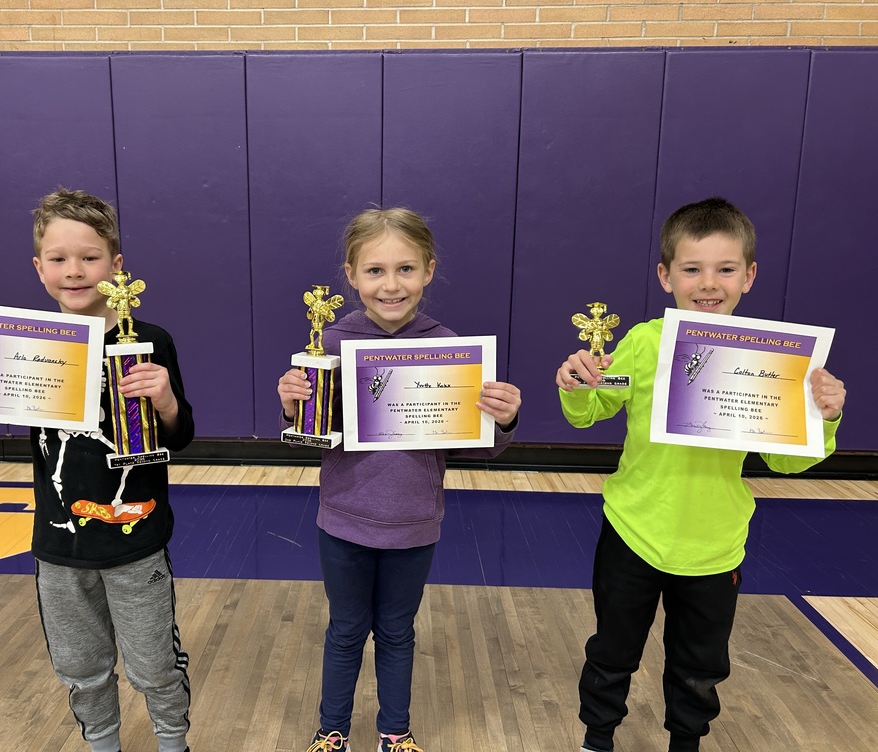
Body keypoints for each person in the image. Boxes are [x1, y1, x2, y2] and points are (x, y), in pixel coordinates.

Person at [555, 197, 847, 752]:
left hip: (715, 544)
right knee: (613, 650)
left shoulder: (773, 360)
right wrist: (576, 383)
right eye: (691, 268)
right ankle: (598, 738)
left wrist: (824, 417)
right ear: (666, 276)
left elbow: (786, 461)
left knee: (700, 664)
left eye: (725, 269)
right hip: (633, 531)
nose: (708, 283)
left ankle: (685, 742)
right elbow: (592, 409)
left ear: (749, 276)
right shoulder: (643, 343)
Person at [0, 188, 195, 752]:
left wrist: (165, 401)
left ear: (117, 265)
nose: (74, 271)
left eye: (90, 257)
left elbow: (180, 434)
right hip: (59, 548)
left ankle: (173, 743)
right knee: (80, 667)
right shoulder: (23, 344)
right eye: (59, 259)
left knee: (155, 666)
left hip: (136, 541)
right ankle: (102, 745)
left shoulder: (150, 340)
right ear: (39, 268)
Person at [278, 208, 523, 752]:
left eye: (406, 269)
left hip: (414, 523)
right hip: (343, 521)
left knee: (396, 632)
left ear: (429, 271)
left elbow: (476, 443)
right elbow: (305, 437)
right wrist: (294, 409)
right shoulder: (327, 344)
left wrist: (502, 419)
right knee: (345, 631)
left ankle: (395, 731)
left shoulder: (448, 346)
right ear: (351, 274)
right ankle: (332, 731)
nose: (391, 285)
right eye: (375, 270)